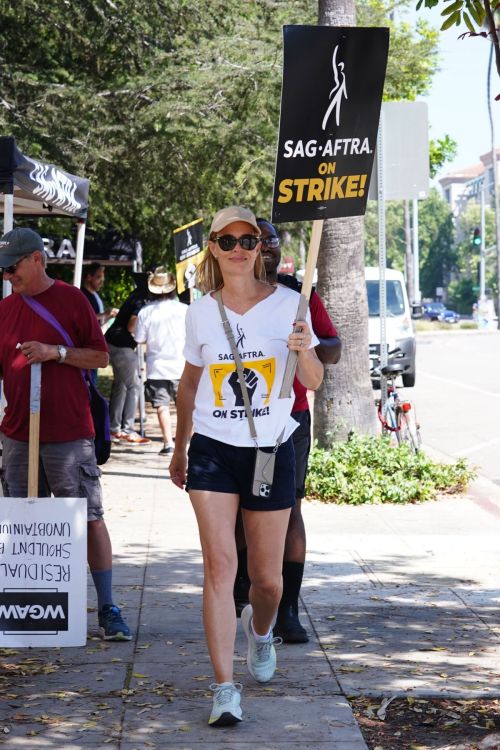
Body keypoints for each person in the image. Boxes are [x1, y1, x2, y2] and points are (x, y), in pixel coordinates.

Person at [168, 206, 324, 727]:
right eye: (227, 240)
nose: (238, 249)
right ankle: (224, 688)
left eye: (248, 240)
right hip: (213, 448)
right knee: (219, 567)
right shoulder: (200, 312)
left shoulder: (289, 304)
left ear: (260, 247)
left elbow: (317, 380)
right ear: (212, 247)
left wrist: (303, 354)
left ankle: (261, 633)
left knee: (268, 580)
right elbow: (190, 384)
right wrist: (180, 446)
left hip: (270, 448)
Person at [0, 227, 132, 641]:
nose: (7, 275)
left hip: (70, 435)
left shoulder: (73, 301)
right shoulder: (4, 310)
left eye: (13, 266)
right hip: (18, 435)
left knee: (88, 518)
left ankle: (108, 607)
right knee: (20, 522)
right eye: (3, 269)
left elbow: (99, 355)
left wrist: (55, 352)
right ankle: (26, 608)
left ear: (37, 259)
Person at [233, 219, 342, 643]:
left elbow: (333, 347)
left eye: (274, 239)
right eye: (262, 241)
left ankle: (289, 609)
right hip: (240, 423)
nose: (270, 247)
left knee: (289, 508)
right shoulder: (229, 297)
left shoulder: (301, 296)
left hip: (289, 421)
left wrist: (307, 345)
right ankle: (248, 596)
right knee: (247, 509)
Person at [132, 267, 187, 455]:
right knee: (186, 407)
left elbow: (139, 339)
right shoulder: (185, 310)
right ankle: (187, 443)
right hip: (183, 365)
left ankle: (168, 443)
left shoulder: (145, 312)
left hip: (157, 367)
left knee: (162, 406)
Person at [105, 287, 151, 445]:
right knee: (134, 386)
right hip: (121, 344)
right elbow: (132, 326)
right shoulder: (142, 299)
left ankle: (114, 428)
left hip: (113, 341)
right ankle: (127, 430)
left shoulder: (137, 295)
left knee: (122, 385)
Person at [81, 262, 118, 328]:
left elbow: (98, 323)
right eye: (98, 278)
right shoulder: (81, 295)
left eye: (103, 280)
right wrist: (103, 314)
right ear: (89, 277)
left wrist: (109, 316)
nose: (101, 283)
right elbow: (82, 319)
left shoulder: (96, 296)